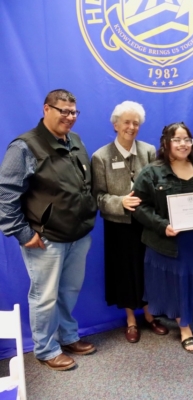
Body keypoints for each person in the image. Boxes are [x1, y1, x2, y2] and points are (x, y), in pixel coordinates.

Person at [0, 89, 97, 371]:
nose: (69, 117)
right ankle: (45, 349)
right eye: (63, 111)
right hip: (45, 239)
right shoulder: (24, 147)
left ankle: (68, 337)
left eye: (73, 112)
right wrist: (22, 232)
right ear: (46, 109)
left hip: (78, 235)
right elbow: (5, 195)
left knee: (69, 292)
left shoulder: (75, 140)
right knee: (45, 297)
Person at [132, 122, 193, 353]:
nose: (183, 144)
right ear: (166, 143)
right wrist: (162, 225)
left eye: (187, 139)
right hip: (171, 244)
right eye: (177, 140)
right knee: (179, 285)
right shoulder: (151, 172)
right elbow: (139, 206)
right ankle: (184, 328)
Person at [91, 101, 168, 343]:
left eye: (136, 123)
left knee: (147, 270)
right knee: (124, 273)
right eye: (126, 122)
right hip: (118, 226)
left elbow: (157, 185)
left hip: (146, 224)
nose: (131, 127)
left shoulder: (148, 151)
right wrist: (120, 202)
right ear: (116, 125)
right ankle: (131, 320)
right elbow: (98, 197)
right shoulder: (100, 156)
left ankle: (150, 314)